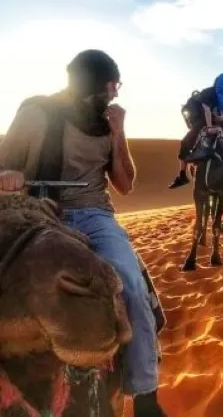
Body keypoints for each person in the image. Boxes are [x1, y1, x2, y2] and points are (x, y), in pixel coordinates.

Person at [0, 50, 167, 417]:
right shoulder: (35, 114)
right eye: (112, 86)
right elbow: (3, 167)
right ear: (96, 85)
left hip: (93, 214)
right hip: (37, 211)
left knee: (130, 284)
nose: (115, 94)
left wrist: (119, 133)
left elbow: (125, 184)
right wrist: (8, 177)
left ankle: (144, 392)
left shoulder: (105, 124)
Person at [168, 73, 223, 189]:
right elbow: (206, 110)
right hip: (201, 117)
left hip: (215, 117)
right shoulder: (209, 92)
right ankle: (182, 174)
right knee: (186, 141)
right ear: (218, 82)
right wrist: (209, 127)